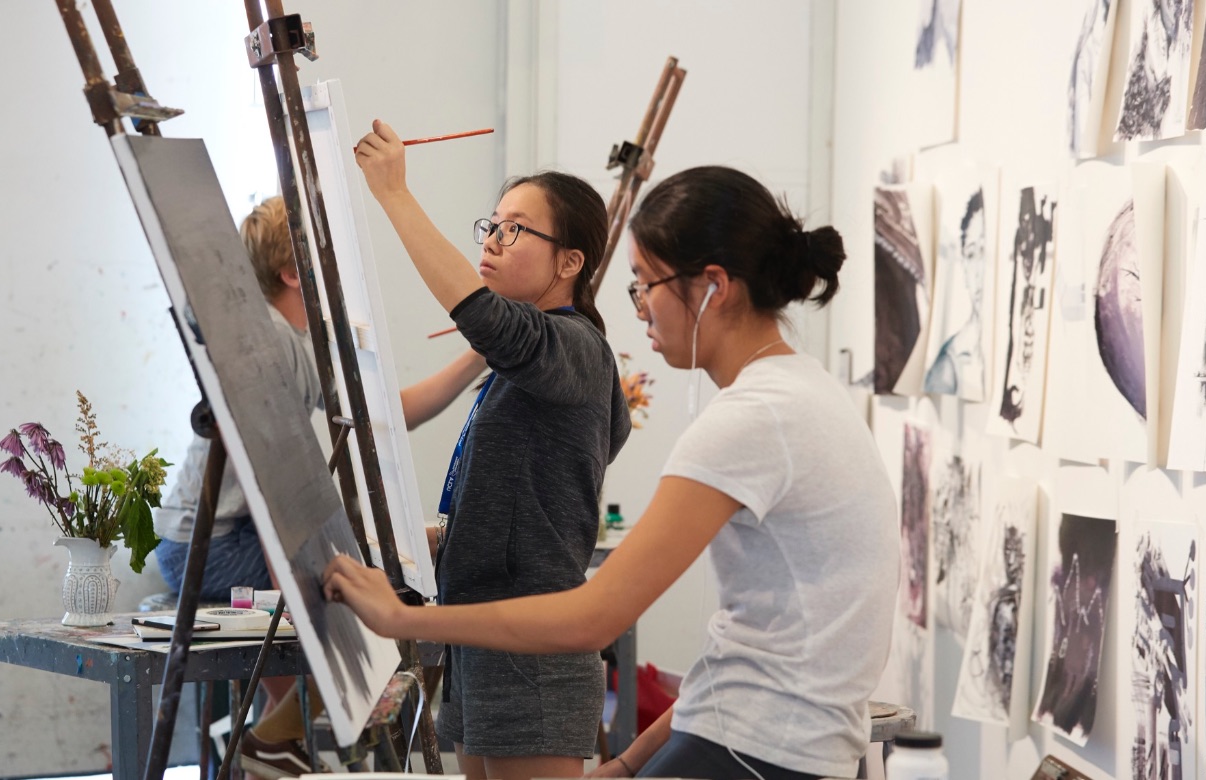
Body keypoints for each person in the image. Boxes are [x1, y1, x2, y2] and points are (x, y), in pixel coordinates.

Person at [323, 166, 900, 780]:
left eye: (648, 283)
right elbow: (744, 643)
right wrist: (626, 763)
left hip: (760, 751)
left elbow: (596, 615)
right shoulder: (795, 394)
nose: (641, 306)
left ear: (714, 287)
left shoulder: (751, 418)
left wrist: (404, 619)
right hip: (747, 734)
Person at [149, 196, 485, 778]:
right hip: (215, 544)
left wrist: (480, 353)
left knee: (373, 591)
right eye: (319, 250)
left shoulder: (297, 340)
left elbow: (385, 413)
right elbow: (271, 484)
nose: (335, 261)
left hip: (235, 535)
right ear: (288, 271)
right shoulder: (270, 341)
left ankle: (273, 739)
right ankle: (271, 741)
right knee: (372, 602)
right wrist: (303, 585)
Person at [351, 119, 631, 780]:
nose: (494, 241)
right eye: (493, 225)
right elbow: (533, 494)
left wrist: (394, 193)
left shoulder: (575, 346)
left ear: (570, 262)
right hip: (479, 640)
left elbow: (478, 312)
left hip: (531, 653)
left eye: (517, 229)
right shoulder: (524, 367)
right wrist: (453, 535)